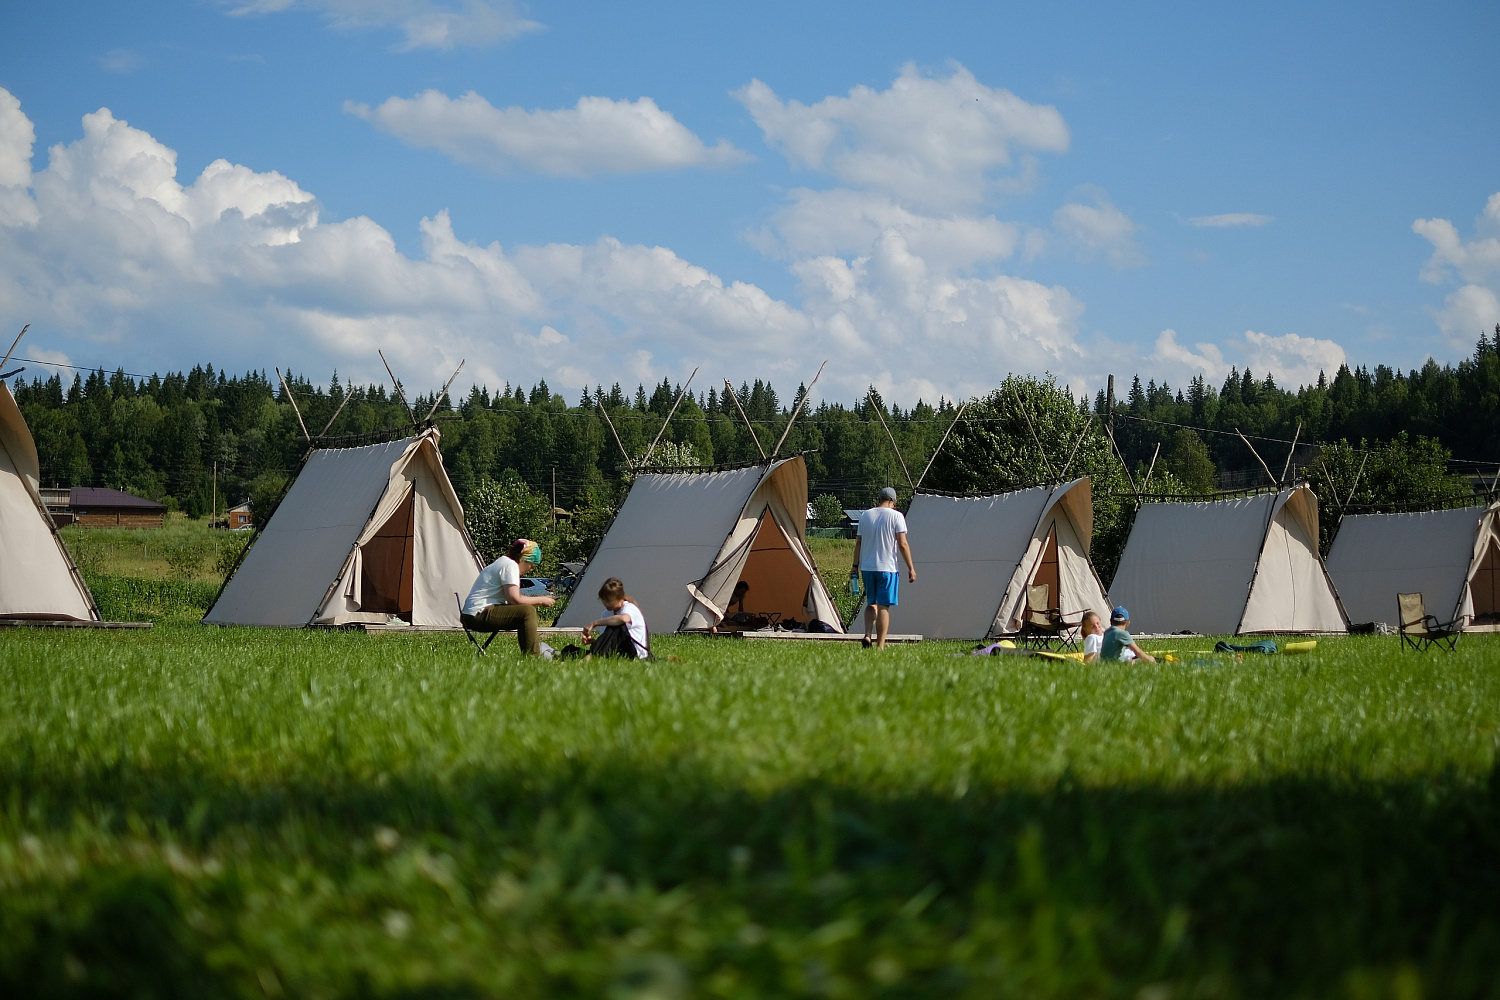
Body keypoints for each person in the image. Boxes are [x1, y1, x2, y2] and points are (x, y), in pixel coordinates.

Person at [461, 538, 556, 656]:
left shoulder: (503, 562)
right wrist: (542, 600)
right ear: (524, 559)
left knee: (524, 611)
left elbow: (513, 600)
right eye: (531, 566)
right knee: (527, 611)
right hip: (478, 614)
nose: (530, 570)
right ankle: (533, 656)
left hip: (472, 614)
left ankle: (535, 650)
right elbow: (514, 599)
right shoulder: (510, 566)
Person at [852, 486, 916, 649]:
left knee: (870, 603)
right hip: (887, 567)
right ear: (893, 501)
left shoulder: (866, 515)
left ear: (879, 499)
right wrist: (911, 567)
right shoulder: (897, 516)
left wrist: (855, 566)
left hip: (867, 567)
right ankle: (880, 646)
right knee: (883, 606)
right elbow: (902, 543)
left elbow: (858, 543)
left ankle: (867, 634)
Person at [581, 577, 649, 658]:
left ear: (619, 598)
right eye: (604, 601)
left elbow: (624, 619)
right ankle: (593, 654)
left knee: (618, 626)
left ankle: (592, 656)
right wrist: (594, 642)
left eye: (609, 601)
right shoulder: (606, 613)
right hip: (618, 651)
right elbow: (609, 641)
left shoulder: (630, 608)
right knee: (571, 650)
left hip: (635, 652)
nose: (606, 604)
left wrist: (595, 623)